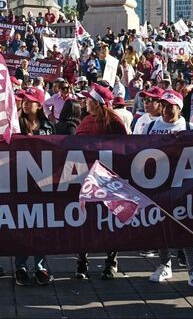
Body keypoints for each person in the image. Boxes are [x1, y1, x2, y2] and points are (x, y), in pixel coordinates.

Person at [141, 90, 193, 292]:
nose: (167, 110)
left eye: (171, 106)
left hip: (184, 186)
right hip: (158, 186)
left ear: (179, 107)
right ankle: (164, 265)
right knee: (161, 226)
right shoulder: (151, 126)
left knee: (188, 229)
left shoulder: (189, 127)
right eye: (164, 105)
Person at [75, 83, 127, 279]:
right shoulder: (85, 121)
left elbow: (124, 149)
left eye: (88, 99)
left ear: (97, 103)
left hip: (109, 179)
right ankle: (82, 261)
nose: (85, 101)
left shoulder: (115, 122)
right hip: (87, 179)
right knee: (85, 221)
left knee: (110, 220)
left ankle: (111, 261)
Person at [14, 87, 54, 286]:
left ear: (39, 105)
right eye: (24, 100)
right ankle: (20, 266)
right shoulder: (15, 123)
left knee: (40, 225)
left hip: (42, 182)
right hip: (18, 181)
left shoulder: (48, 125)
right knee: (21, 224)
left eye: (30, 100)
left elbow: (56, 150)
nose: (25, 103)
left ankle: (40, 266)